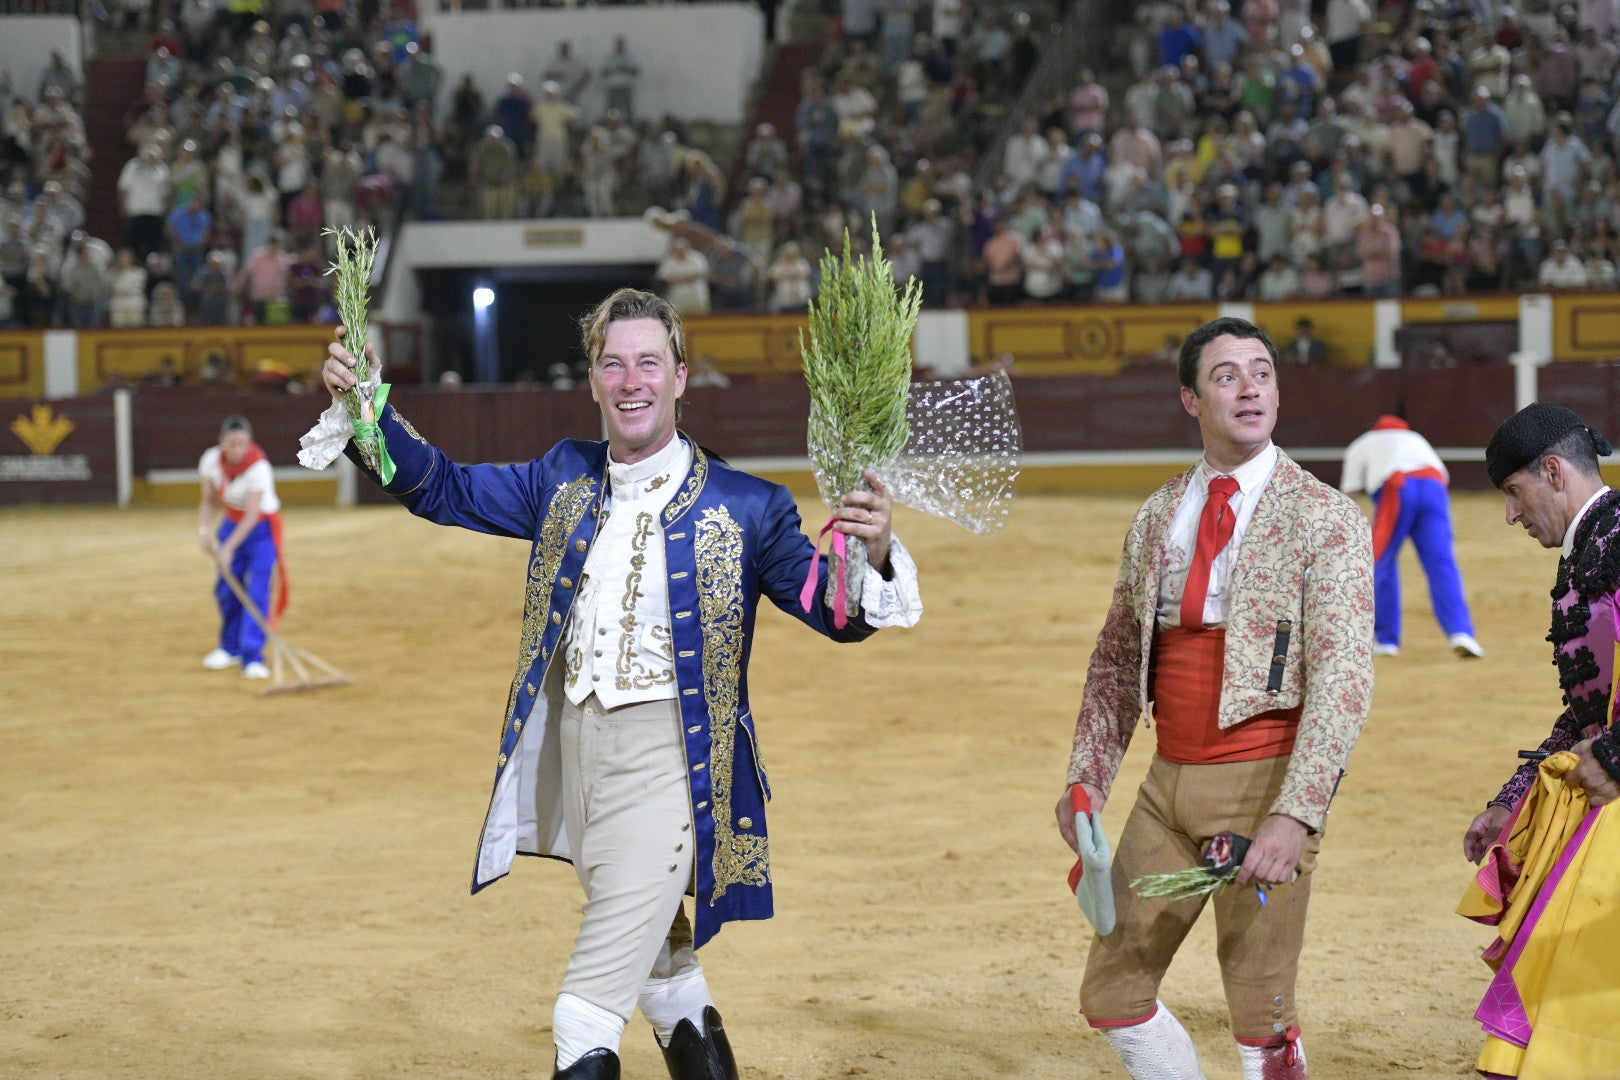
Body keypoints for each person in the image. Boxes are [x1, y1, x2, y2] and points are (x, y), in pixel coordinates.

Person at [314, 288, 922, 1079]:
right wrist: (368, 412)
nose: (631, 381)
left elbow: (838, 615)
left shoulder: (749, 508)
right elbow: (444, 489)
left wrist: (870, 554)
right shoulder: (562, 479)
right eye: (613, 364)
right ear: (595, 381)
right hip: (581, 763)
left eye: (648, 363)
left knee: (582, 1016)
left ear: (680, 378)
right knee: (667, 980)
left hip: (672, 770)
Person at [1055, 317, 1374, 1080]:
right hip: (1167, 788)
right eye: (1226, 375)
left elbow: (1343, 679)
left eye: (1261, 371)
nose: (1250, 388)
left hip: (1262, 781)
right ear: (1191, 400)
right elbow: (1117, 658)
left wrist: (1297, 813)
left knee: (1261, 1018)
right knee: (1112, 990)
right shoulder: (1161, 513)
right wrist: (1085, 778)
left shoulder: (1324, 517)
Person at [1458, 402, 1620, 1076]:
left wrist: (1615, 756)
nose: (1510, 515)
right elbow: (1587, 714)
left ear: (1551, 471)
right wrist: (1512, 799)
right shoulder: (1594, 544)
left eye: (1513, 493)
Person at [1341, 416, 1484, 659]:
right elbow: (1442, 475)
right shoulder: (1416, 438)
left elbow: (1348, 496)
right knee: (1442, 562)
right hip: (1434, 489)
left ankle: (1387, 639)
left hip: (1398, 488)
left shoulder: (1362, 443)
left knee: (1383, 560)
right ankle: (1462, 633)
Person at [197, 416, 286, 680]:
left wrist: (228, 548)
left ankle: (253, 657)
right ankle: (230, 648)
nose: (238, 450)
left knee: (257, 592)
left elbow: (252, 514)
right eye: (232, 444)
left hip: (260, 531)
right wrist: (204, 531)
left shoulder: (259, 467)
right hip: (230, 524)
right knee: (226, 590)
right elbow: (209, 501)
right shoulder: (211, 460)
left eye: (243, 444)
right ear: (221, 442)